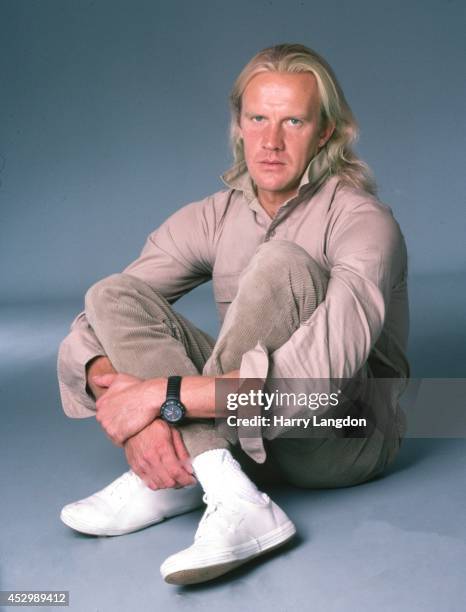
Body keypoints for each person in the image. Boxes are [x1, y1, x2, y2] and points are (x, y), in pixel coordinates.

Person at [57, 43, 409, 585]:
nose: (271, 141)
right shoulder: (215, 216)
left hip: (347, 429)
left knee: (282, 265)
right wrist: (131, 414)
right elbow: (89, 332)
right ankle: (211, 479)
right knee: (112, 294)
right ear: (238, 126)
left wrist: (164, 399)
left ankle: (197, 475)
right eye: (258, 119)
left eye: (293, 121)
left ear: (325, 132)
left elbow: (318, 383)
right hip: (246, 429)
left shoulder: (363, 221)